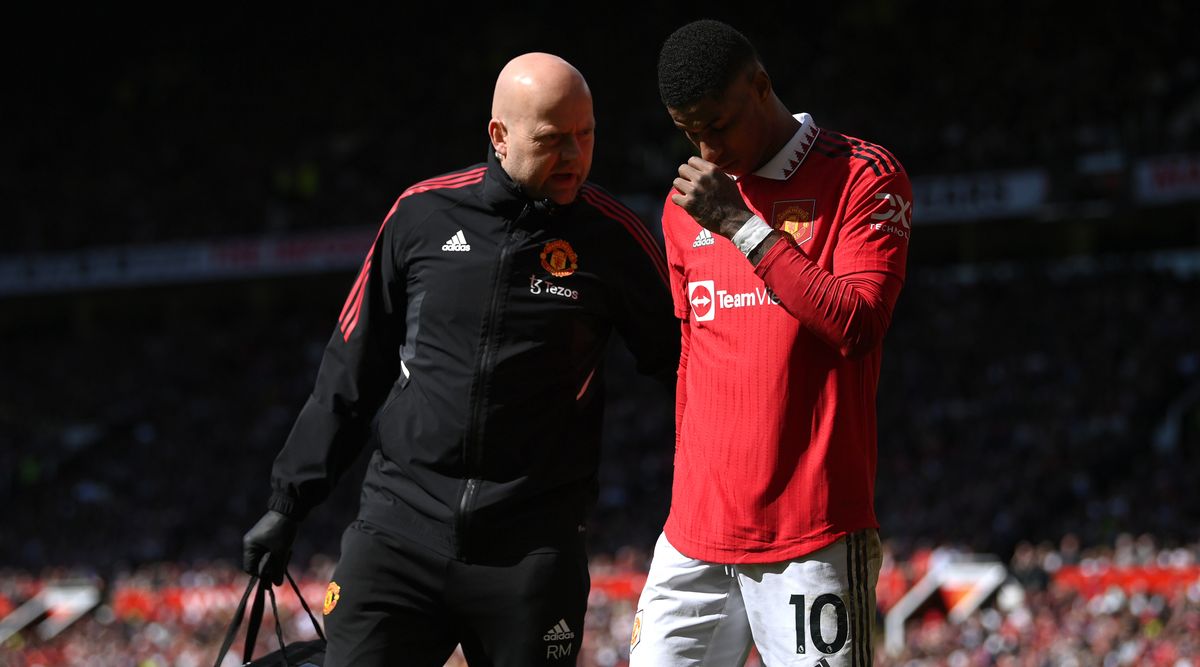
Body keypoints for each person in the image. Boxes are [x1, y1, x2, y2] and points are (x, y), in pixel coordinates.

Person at [242, 52, 678, 666]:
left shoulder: (615, 239)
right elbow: (352, 366)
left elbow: (684, 368)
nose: (575, 157)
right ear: (499, 136)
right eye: (553, 140)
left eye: (586, 135)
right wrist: (288, 504)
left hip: (533, 551)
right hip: (399, 530)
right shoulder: (420, 215)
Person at [629, 20, 912, 666]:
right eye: (689, 131)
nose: (706, 146)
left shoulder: (863, 176)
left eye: (717, 124)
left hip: (809, 539)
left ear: (761, 86)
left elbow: (857, 323)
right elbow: (695, 359)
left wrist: (738, 223)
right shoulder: (683, 208)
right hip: (694, 536)